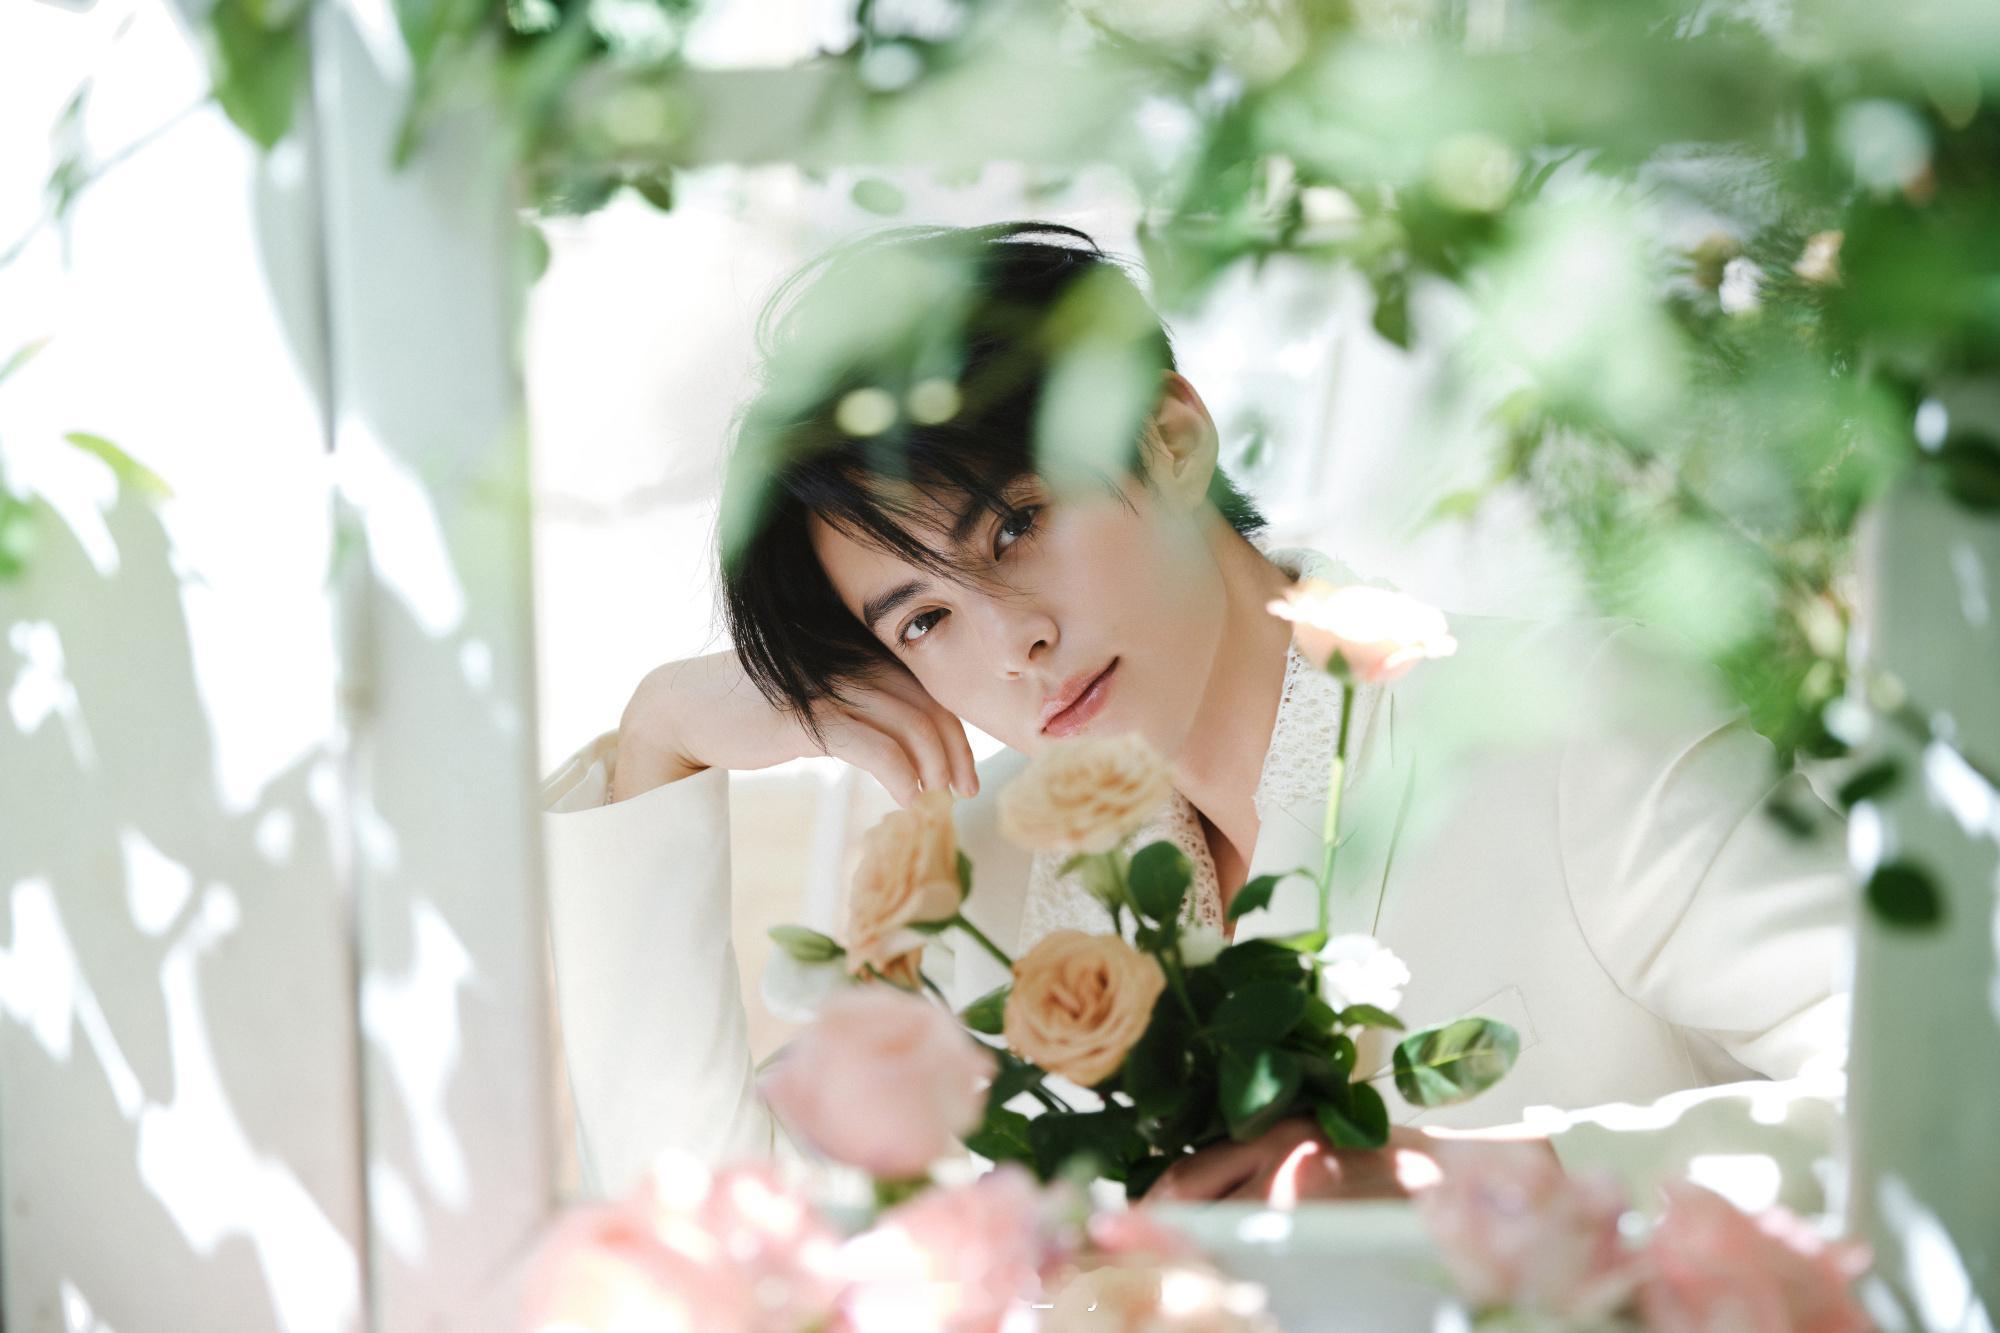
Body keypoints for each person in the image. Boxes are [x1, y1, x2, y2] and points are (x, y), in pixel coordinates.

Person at [542, 222, 1852, 1207]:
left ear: (1173, 440)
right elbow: (738, 1268)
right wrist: (661, 745)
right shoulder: (986, 891)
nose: (1013, 641)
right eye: (923, 620)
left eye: (1018, 524)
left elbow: (1921, 1111)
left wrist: (1471, 1182)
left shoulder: (1571, 727)